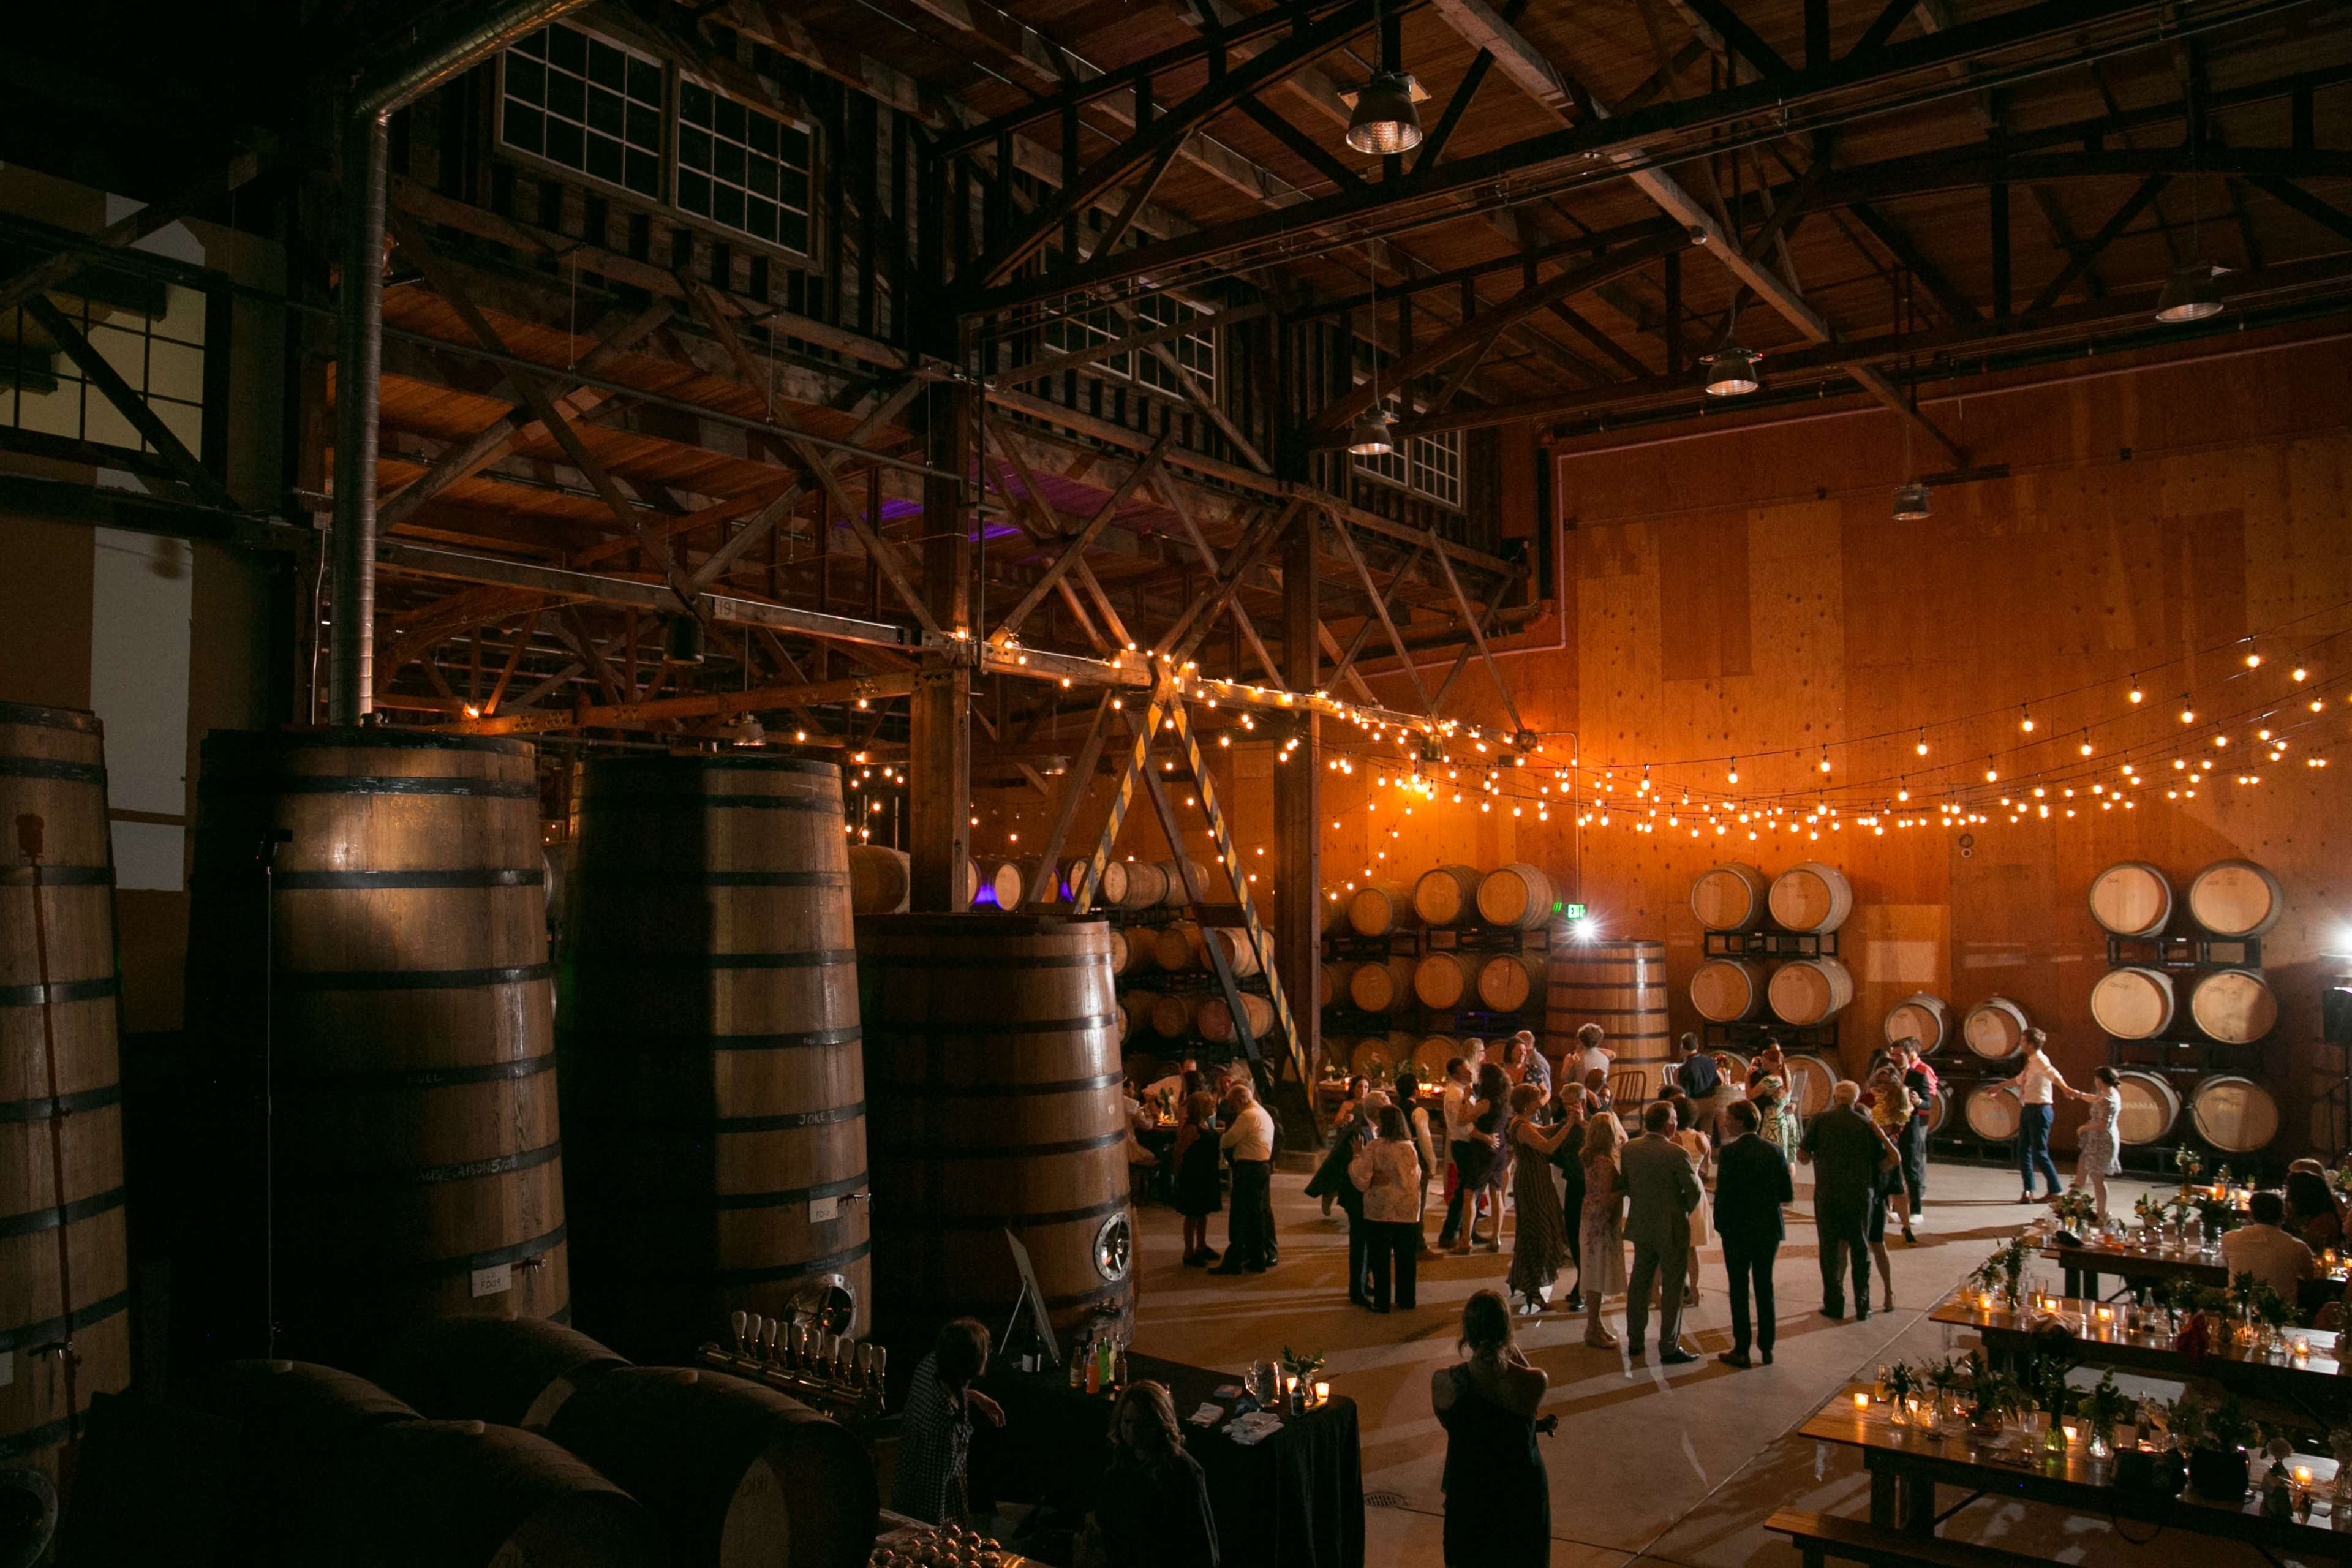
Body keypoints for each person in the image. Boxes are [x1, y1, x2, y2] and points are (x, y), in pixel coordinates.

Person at [1431, 1290, 1551, 1567]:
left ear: (1467, 1336)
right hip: (1521, 1496)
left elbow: (1447, 1422)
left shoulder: (1444, 1383)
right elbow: (1529, 1394)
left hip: (1470, 1495)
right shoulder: (1534, 1382)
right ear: (1507, 1333)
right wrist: (1507, 1347)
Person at [1086, 1380, 1219, 1568]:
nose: (1132, 1431)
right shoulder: (1119, 1461)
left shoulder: (1183, 1471)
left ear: (1160, 1424)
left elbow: (1204, 1551)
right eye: (1127, 1421)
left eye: (1141, 1424)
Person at [891, 1317, 1005, 1525]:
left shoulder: (929, 1366)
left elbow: (947, 1388)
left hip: (904, 1488)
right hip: (924, 1516)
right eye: (984, 1350)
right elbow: (933, 1503)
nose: (988, 1354)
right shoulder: (945, 1427)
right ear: (972, 1362)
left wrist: (974, 1396)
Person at [1621, 1100, 1703, 1365]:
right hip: (1671, 1226)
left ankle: (1634, 1340)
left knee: (1640, 1282)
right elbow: (1694, 1193)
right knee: (1673, 1286)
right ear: (1670, 1125)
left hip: (1642, 1222)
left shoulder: (1630, 1149)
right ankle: (1669, 1345)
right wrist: (1679, 1210)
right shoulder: (1676, 1154)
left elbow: (1629, 1185)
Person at [1799, 1081, 1888, 1322]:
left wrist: (1818, 1156)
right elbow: (1882, 1161)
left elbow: (1803, 1156)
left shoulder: (1820, 1120)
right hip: (1859, 1193)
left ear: (1836, 1097)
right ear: (1856, 1099)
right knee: (1860, 1248)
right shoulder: (1866, 1124)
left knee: (1829, 1249)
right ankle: (1863, 1305)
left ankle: (1834, 1303)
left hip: (1828, 1192)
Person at [1713, 1099, 1792, 1368]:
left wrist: (1721, 1226)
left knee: (1738, 1288)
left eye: (1728, 1119)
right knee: (1764, 1285)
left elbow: (1723, 1196)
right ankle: (1767, 1347)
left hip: (1737, 1229)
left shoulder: (1731, 1153)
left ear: (1740, 1122)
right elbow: (1786, 1194)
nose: (1724, 1123)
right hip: (1768, 1227)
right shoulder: (1775, 1150)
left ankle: (1742, 1348)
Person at [1504, 1084, 1580, 1314]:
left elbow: (1545, 1130)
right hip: (1532, 1180)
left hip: (1537, 1177)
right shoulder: (1521, 1126)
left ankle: (1525, 1281)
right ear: (1528, 1104)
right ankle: (1534, 1289)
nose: (1542, 1102)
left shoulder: (1524, 1122)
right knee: (1539, 1230)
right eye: (1537, 1099)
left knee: (1537, 1228)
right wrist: (1569, 1125)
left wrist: (1565, 1121)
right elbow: (1547, 1147)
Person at [1351, 1104, 1424, 1313]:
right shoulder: (1409, 1147)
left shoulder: (1376, 1147)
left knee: (1380, 1258)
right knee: (1406, 1259)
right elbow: (1415, 1177)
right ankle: (1406, 1299)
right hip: (1407, 1211)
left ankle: (1382, 1302)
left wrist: (1356, 1156)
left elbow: (1361, 1177)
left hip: (1380, 1211)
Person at [1212, 1080, 1275, 1274]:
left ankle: (1233, 1262)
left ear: (1240, 1100)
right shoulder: (1263, 1113)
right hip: (1262, 1167)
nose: (1232, 1109)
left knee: (1239, 1216)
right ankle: (1257, 1259)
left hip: (1248, 1169)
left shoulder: (1248, 1116)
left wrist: (1222, 1139)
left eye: (1232, 1104)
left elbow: (1228, 1139)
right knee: (1255, 1216)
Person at [2004, 1028, 2073, 1202]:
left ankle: (2055, 1190)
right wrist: (1999, 1087)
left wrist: (2065, 1088)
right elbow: (2020, 1080)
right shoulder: (2031, 1062)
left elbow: (2053, 1074)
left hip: (2040, 1110)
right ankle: (2028, 1190)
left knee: (2039, 1152)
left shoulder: (2041, 1060)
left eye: (2023, 1041)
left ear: (2031, 1044)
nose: (2021, 1044)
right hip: (2029, 1108)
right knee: (2023, 1150)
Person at [1578, 1112, 1627, 1350]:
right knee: (1597, 1272)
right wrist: (1627, 1189)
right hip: (1602, 1221)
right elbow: (1608, 1198)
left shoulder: (1588, 1156)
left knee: (1592, 1269)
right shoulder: (1606, 1162)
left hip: (1589, 1215)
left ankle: (1595, 1323)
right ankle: (1592, 1327)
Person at [2222, 1190, 2318, 1301]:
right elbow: (2309, 1277)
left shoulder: (2230, 1239)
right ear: (2283, 1218)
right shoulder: (2298, 1247)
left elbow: (2230, 1266)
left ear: (2251, 1216)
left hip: (2238, 1310)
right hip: (2280, 1314)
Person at [1668, 1093, 1713, 1304]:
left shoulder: (1672, 1139)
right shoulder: (1701, 1138)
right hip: (1696, 1190)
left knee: (1672, 1247)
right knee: (1692, 1247)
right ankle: (1695, 1290)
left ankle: (1674, 1289)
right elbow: (1707, 1167)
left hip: (1676, 1192)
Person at [1866, 1064, 1917, 1247]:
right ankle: (1874, 1224)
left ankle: (1907, 1228)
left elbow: (1900, 1122)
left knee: (1899, 1190)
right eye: (1880, 1081)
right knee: (1874, 1188)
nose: (1883, 1085)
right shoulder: (1869, 1097)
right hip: (1871, 1146)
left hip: (1890, 1146)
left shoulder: (1900, 1096)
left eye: (1888, 1082)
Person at [1172, 1091, 1224, 1267]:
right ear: (1201, 1108)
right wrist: (1178, 1176)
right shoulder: (1192, 1128)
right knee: (1192, 1213)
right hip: (1194, 1175)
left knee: (1203, 1212)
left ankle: (1201, 1245)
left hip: (1206, 1173)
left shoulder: (1205, 1124)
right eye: (1210, 1104)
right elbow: (1179, 1153)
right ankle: (1188, 1252)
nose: (1213, 1106)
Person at [2067, 1065, 2124, 1224]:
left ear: (2100, 1080)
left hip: (2102, 1142)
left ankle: (2102, 1214)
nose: (2095, 1081)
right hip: (2094, 1141)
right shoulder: (2106, 1094)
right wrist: (2078, 1095)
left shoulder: (2109, 1099)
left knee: (2097, 1177)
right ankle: (2073, 1205)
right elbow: (2095, 1099)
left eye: (2096, 1078)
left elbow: (2104, 1124)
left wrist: (2084, 1127)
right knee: (2082, 1169)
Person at [1550, 1085, 1589, 1310]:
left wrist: (1582, 1123)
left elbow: (1606, 1143)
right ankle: (1580, 1284)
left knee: (1585, 1238)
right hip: (1573, 1183)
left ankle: (1583, 1290)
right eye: (1565, 1105)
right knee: (1572, 1234)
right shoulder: (1565, 1123)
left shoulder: (1596, 1121)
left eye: (1572, 1104)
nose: (1568, 1109)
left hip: (1590, 1187)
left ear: (1583, 1103)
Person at [1394, 1068, 1441, 1256]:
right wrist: (1432, 1164)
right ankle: (1418, 1245)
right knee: (1417, 1203)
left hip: (1397, 1158)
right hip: (1415, 1159)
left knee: (1400, 1201)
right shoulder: (1418, 1111)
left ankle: (1399, 1241)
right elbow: (1425, 1140)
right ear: (1416, 1091)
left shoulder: (1395, 1109)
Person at [1314, 1076, 1370, 1217]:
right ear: (1353, 1089)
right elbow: (1336, 1123)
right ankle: (1329, 1196)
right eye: (1359, 1087)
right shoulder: (1348, 1104)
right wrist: (1345, 1120)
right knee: (1341, 1173)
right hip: (1348, 1143)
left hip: (1364, 1143)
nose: (1362, 1090)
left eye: (1366, 1087)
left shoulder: (1370, 1105)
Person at [1894, 1040, 1934, 1212]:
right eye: (1892, 1055)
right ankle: (1895, 1208)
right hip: (1890, 1129)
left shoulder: (1918, 1076)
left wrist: (1918, 1101)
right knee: (1893, 1171)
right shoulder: (1887, 1075)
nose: (1894, 1058)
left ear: (1909, 1056)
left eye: (1898, 1055)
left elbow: (1928, 1103)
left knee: (1911, 1171)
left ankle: (1916, 1210)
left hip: (1910, 1129)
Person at [2285, 1169, 2345, 1251]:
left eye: (2289, 1192)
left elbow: (2310, 1249)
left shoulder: (2324, 1221)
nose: (2287, 1197)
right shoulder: (2305, 1213)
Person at [1753, 1072, 1800, 1167]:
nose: (1762, 1062)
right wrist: (1793, 1104)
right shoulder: (1786, 1073)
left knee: (1774, 1160)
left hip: (1774, 1120)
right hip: (1787, 1118)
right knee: (1788, 1160)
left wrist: (1747, 1077)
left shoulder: (1771, 1079)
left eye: (1764, 1060)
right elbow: (1787, 1097)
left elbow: (1750, 1095)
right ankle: (1789, 1182)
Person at [1502, 1032, 1551, 1096]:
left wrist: (1537, 1104)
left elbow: (1547, 1090)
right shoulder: (1501, 1071)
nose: (1523, 1053)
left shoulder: (1536, 1064)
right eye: (1519, 1050)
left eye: (1524, 1050)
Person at [1574, 1023, 1614, 1087]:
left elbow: (1566, 1078)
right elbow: (1613, 1055)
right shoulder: (1605, 1058)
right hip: (1601, 1093)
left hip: (1581, 1094)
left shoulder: (1576, 1058)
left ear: (1580, 1039)